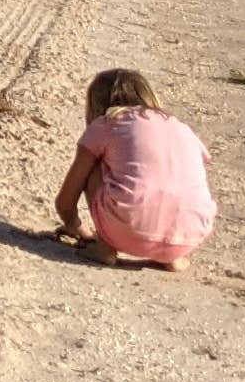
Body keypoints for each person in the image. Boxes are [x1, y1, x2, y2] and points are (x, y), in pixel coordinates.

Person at [53, 66, 216, 268]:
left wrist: (75, 226)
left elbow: (65, 202)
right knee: (173, 172)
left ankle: (104, 248)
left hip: (127, 228)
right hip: (190, 234)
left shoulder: (106, 123)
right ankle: (172, 257)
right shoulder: (182, 128)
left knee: (95, 163)